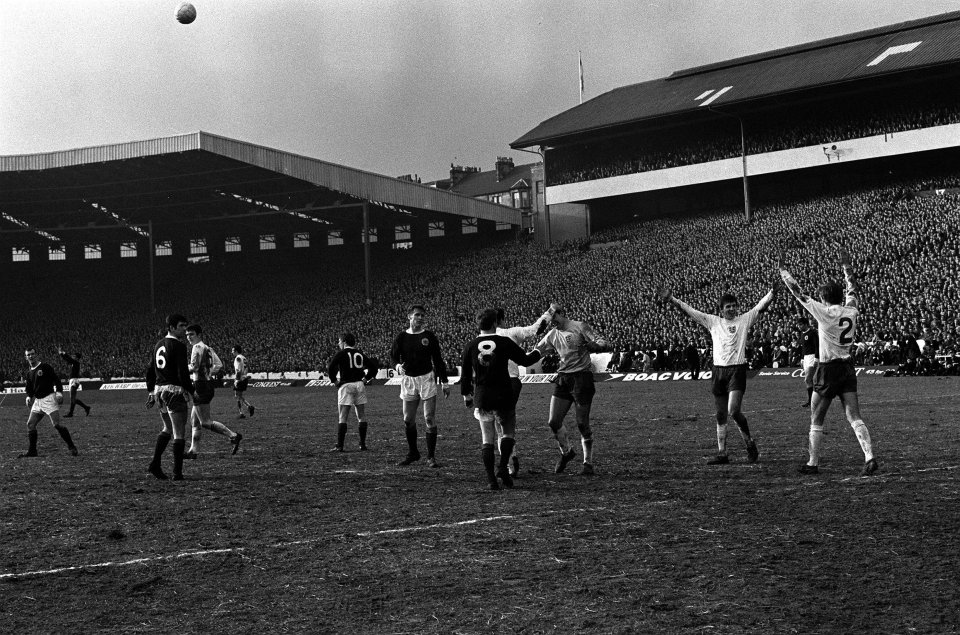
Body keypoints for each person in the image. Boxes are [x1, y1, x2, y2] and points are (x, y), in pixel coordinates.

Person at [779, 251, 879, 476]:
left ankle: (813, 463)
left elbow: (798, 293)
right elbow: (852, 289)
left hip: (827, 369)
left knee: (816, 417)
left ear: (824, 298)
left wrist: (783, 271)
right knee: (854, 415)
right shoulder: (851, 310)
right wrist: (847, 268)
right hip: (847, 367)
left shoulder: (823, 312)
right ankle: (869, 456)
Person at [662, 285, 775, 465]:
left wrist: (772, 293)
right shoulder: (712, 321)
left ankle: (749, 443)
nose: (731, 309)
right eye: (728, 307)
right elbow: (691, 312)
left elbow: (760, 306)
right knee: (721, 414)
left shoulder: (744, 320)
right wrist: (673, 300)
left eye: (734, 306)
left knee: (734, 411)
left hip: (736, 370)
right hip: (718, 371)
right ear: (721, 310)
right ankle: (722, 453)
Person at [462, 308, 545, 490]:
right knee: (507, 432)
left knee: (487, 438)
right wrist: (540, 350)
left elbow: (466, 376)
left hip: (483, 395)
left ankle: (491, 479)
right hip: (503, 393)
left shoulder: (470, 345)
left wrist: (467, 396)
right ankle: (502, 467)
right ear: (495, 323)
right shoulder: (504, 342)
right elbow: (525, 360)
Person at [533, 304, 613, 475]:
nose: (551, 321)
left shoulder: (579, 327)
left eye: (553, 317)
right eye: (548, 318)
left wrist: (597, 346)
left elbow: (603, 341)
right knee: (553, 421)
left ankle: (588, 463)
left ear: (562, 314)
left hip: (581, 379)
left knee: (582, 423)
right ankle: (567, 452)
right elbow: (536, 352)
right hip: (563, 379)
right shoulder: (552, 334)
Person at [493, 304, 556, 476]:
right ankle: (510, 458)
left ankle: (509, 461)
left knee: (498, 424)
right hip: (512, 381)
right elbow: (536, 329)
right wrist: (549, 312)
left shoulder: (481, 339)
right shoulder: (511, 333)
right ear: (502, 319)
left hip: (492, 383)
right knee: (508, 421)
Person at [390, 304, 450, 468]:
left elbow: (438, 360)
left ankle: (431, 457)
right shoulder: (401, 337)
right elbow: (393, 357)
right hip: (409, 380)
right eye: (417, 315)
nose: (421, 318)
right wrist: (396, 367)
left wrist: (444, 382)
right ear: (409, 317)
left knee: (429, 418)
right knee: (408, 420)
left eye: (423, 315)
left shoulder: (429, 336)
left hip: (426, 379)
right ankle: (413, 453)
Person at [145, 314, 195, 481]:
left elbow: (150, 370)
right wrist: (191, 390)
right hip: (174, 391)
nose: (184, 329)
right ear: (172, 327)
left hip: (160, 392)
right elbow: (183, 373)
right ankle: (177, 473)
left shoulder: (158, 344)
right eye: (181, 326)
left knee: (167, 428)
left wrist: (151, 391)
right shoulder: (179, 346)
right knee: (179, 432)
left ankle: (155, 464)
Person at [185, 324, 242, 459]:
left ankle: (233, 436)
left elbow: (194, 367)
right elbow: (219, 364)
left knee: (205, 422)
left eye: (191, 334)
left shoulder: (197, 347)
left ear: (199, 334)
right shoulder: (207, 348)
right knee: (194, 421)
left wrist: (179, 369)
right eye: (187, 335)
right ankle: (193, 451)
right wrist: (209, 372)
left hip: (201, 386)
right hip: (207, 384)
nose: (188, 337)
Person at [19, 347, 77, 458]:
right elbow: (29, 388)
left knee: (56, 424)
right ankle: (32, 451)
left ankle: (71, 446)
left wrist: (59, 392)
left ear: (36, 355)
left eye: (32, 354)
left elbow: (56, 379)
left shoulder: (44, 367)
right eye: (28, 355)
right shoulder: (29, 373)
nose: (31, 356)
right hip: (38, 401)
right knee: (30, 424)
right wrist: (28, 397)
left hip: (49, 398)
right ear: (26, 357)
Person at [327, 332, 378, 452]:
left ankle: (340, 445)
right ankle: (363, 444)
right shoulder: (359, 353)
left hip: (346, 385)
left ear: (344, 342)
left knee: (343, 417)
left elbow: (330, 368)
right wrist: (365, 379)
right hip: (359, 385)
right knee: (361, 416)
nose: (338, 343)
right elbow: (373, 367)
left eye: (339, 341)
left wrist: (334, 381)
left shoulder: (341, 353)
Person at [58, 349, 91, 417]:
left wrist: (63, 353)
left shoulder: (76, 362)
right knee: (73, 399)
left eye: (74, 356)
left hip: (74, 381)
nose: (72, 356)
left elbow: (69, 359)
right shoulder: (74, 363)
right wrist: (61, 354)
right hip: (73, 381)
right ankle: (86, 408)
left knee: (72, 398)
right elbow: (68, 360)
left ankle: (71, 413)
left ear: (76, 357)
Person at [797, 316, 819, 407]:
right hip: (805, 358)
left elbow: (817, 346)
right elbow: (803, 348)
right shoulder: (802, 334)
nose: (799, 326)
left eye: (801, 324)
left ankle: (811, 401)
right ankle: (813, 400)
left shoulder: (812, 333)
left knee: (808, 379)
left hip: (812, 357)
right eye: (798, 325)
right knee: (810, 380)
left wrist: (816, 358)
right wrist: (802, 359)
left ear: (806, 324)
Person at [232, 345, 255, 419]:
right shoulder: (244, 358)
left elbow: (238, 370)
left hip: (240, 379)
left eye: (233, 350)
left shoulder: (237, 358)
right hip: (244, 378)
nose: (232, 352)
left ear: (236, 351)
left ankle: (242, 413)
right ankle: (249, 407)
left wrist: (237, 380)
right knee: (238, 395)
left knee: (238, 396)